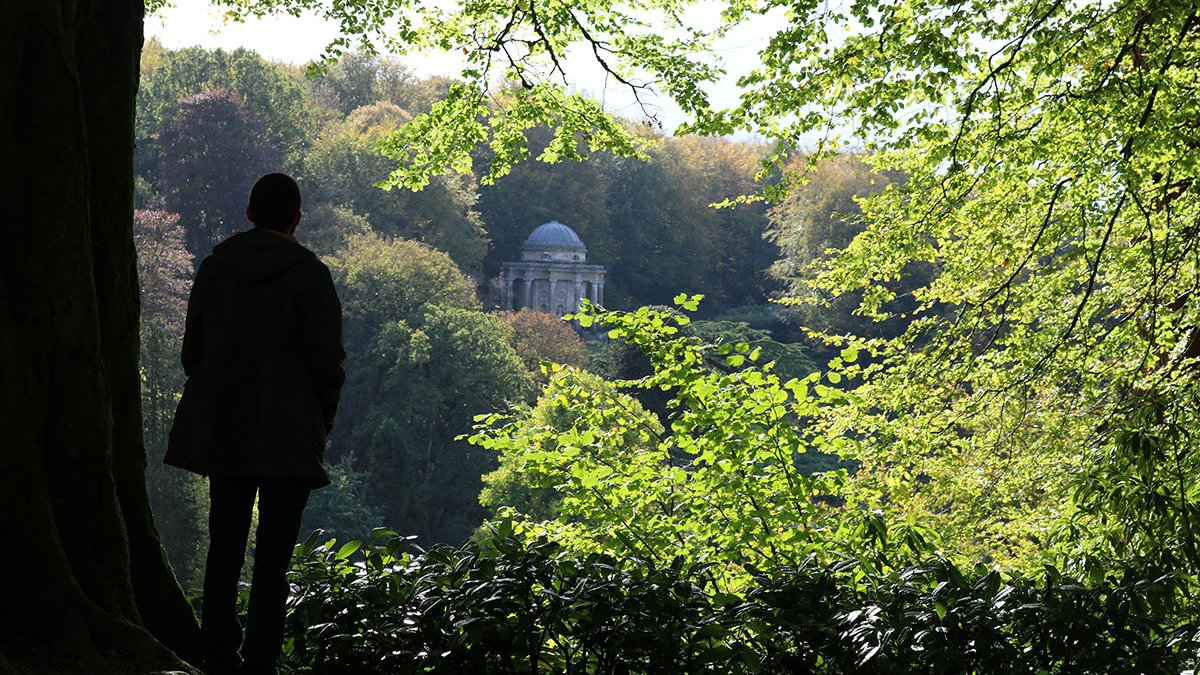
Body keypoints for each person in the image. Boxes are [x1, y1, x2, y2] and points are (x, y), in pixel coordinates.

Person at [165, 173, 345, 675]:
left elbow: (191, 352)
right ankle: (260, 661)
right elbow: (328, 363)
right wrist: (318, 420)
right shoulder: (310, 275)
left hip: (225, 426)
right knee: (274, 559)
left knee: (224, 546)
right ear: (297, 218)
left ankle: (217, 655)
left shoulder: (217, 269)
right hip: (288, 434)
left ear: (249, 214)